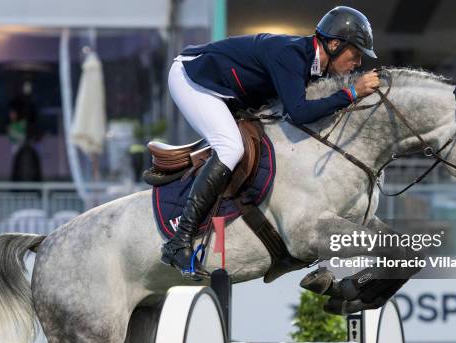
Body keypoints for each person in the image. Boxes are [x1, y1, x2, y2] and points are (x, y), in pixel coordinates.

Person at [162, 6, 381, 279]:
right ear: (335, 44)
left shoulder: (316, 66)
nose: (358, 62)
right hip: (192, 79)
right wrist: (351, 92)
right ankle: (179, 240)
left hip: (228, 91)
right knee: (231, 147)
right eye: (356, 53)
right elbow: (299, 112)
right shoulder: (290, 54)